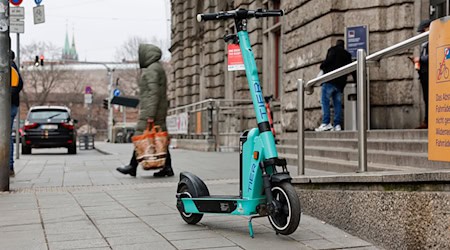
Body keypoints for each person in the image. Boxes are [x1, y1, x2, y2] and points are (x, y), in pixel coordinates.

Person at [116, 44, 174, 177]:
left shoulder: (151, 70)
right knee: (158, 138)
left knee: (141, 137)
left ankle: (132, 166)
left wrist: (150, 114)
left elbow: (153, 93)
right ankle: (167, 167)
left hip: (151, 110)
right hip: (157, 110)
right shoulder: (157, 68)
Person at [315, 39, 353, 131]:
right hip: (340, 84)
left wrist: (322, 66)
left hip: (329, 80)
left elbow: (328, 62)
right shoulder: (347, 55)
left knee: (325, 102)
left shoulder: (332, 50)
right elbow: (351, 69)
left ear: (336, 44)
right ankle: (337, 125)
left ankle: (326, 122)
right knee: (337, 104)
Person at [415, 19, 431, 129]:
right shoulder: (424, 45)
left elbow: (433, 56)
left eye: (422, 32)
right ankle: (427, 120)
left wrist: (420, 59)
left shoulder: (434, 41)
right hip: (424, 75)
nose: (421, 35)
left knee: (430, 99)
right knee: (426, 99)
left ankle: (429, 121)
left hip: (432, 76)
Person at [10, 51, 23, 177]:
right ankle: (9, 166)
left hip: (7, 105)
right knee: (6, 135)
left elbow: (16, 86)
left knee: (5, 136)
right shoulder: (14, 67)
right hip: (12, 105)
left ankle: (8, 166)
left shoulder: (8, 67)